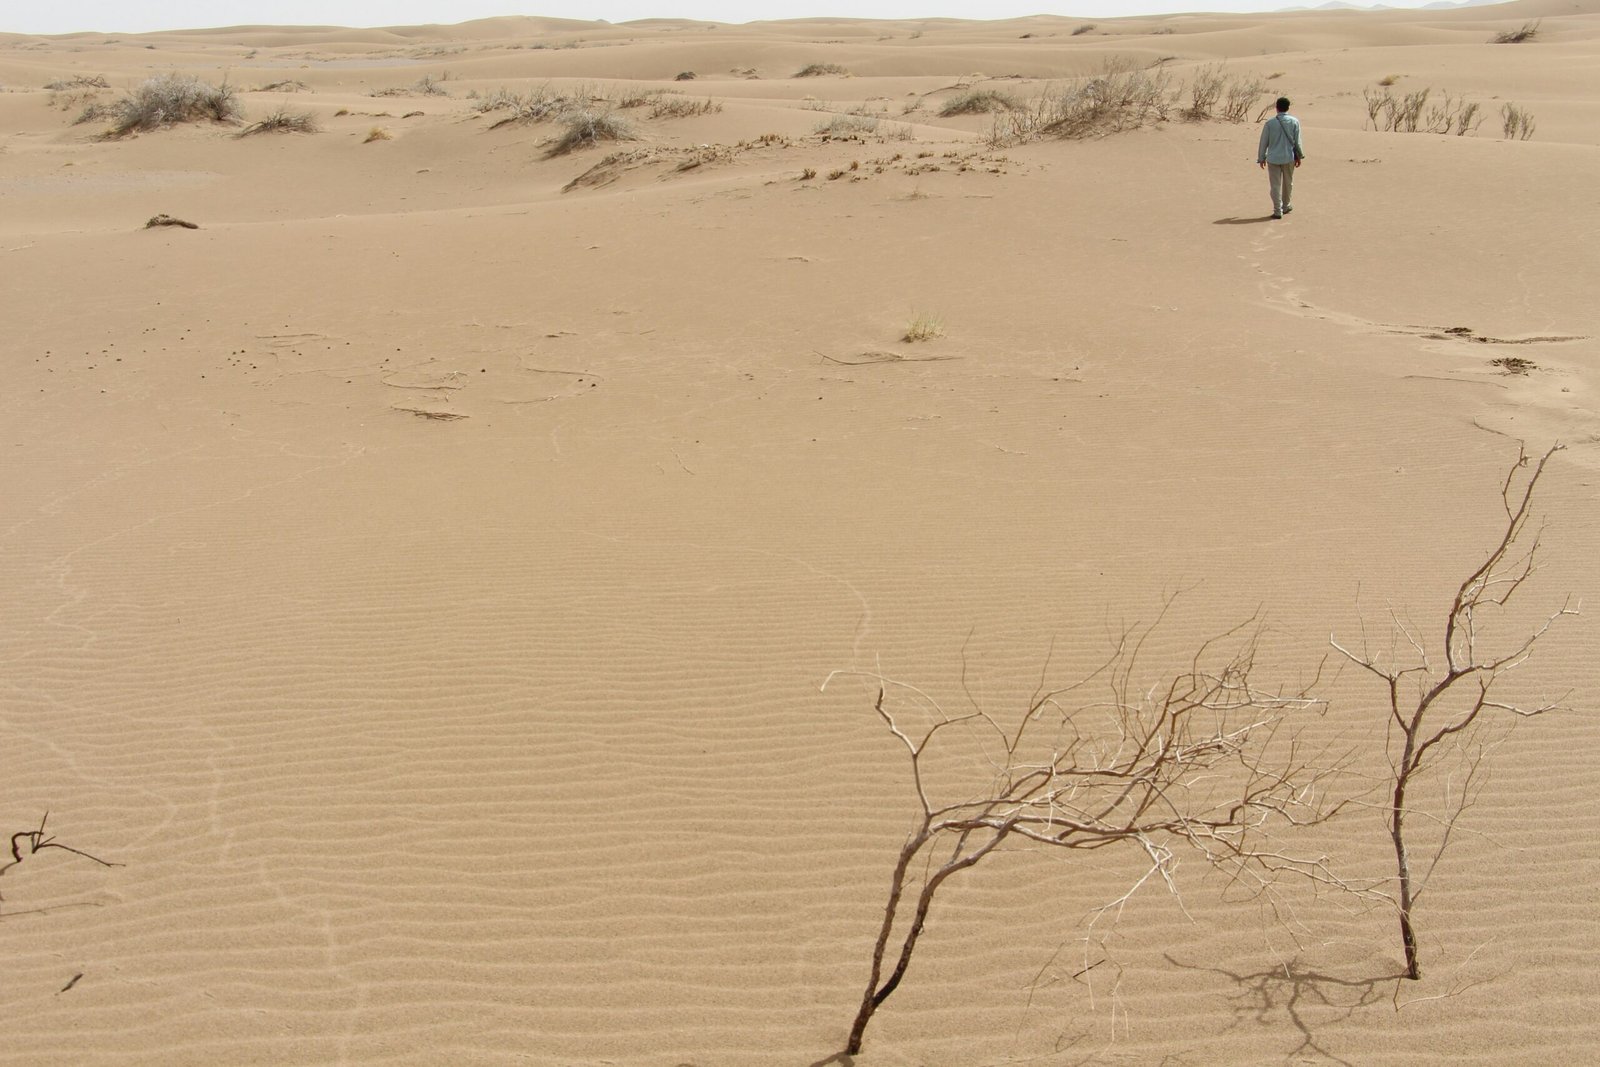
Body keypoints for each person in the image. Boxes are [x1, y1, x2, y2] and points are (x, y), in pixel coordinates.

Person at [1257, 97, 1303, 219]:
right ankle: (1286, 206)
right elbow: (1297, 141)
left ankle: (1278, 210)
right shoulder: (1294, 121)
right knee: (1288, 183)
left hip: (1273, 158)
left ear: (1276, 107)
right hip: (1289, 157)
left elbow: (1263, 142)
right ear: (1288, 107)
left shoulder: (1270, 123)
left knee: (1275, 185)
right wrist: (1299, 156)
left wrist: (1261, 158)